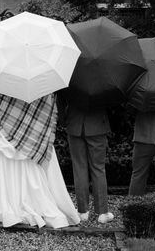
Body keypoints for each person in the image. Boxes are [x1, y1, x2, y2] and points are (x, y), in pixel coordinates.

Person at [0, 92, 80, 228]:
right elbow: (48, 103)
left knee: (12, 166)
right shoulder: (43, 75)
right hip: (33, 123)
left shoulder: (4, 74)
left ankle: (14, 205)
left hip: (8, 120)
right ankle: (33, 203)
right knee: (29, 165)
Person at [58, 95, 113, 224]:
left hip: (75, 124)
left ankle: (83, 211)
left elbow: (61, 99)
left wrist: (63, 121)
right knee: (98, 169)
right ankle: (102, 212)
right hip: (98, 124)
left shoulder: (70, 76)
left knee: (79, 168)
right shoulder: (104, 76)